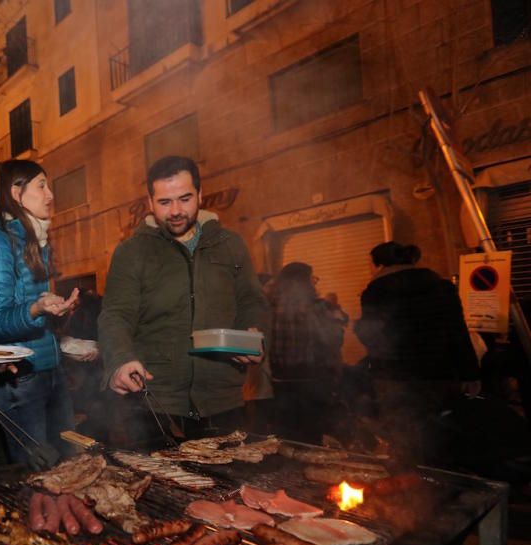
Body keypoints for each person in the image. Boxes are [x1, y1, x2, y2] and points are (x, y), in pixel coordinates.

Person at [98, 155, 269, 446]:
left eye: (185, 199)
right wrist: (121, 360)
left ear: (201, 195)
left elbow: (251, 301)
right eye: (165, 202)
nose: (176, 211)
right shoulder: (131, 252)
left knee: (227, 486)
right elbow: (116, 314)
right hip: (156, 401)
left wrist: (253, 332)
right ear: (150, 203)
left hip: (222, 398)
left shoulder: (230, 245)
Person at [0, 159, 80, 466]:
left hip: (49, 370)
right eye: (41, 186)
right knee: (36, 478)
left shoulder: (36, 240)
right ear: (16, 194)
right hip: (21, 381)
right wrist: (35, 308)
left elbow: (34, 313)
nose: (50, 195)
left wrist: (59, 314)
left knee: (70, 467)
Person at [354, 241, 480, 463]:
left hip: (394, 378)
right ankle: (445, 484)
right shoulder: (442, 287)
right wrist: (471, 374)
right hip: (439, 375)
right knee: (440, 434)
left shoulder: (375, 293)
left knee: (403, 437)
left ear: (380, 264)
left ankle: (410, 489)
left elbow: (371, 336)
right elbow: (457, 331)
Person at [268, 262, 347, 443]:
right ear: (303, 282)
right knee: (311, 433)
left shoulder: (269, 306)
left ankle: (288, 469)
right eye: (312, 279)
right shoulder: (316, 307)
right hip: (311, 380)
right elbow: (333, 340)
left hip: (279, 381)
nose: (314, 283)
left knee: (286, 433)